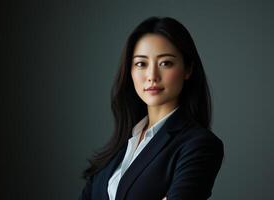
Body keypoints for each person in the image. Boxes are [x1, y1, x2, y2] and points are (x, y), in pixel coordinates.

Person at [79, 16, 224, 200]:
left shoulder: (199, 145)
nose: (152, 76)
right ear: (130, 71)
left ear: (187, 69)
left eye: (166, 63)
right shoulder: (121, 144)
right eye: (141, 64)